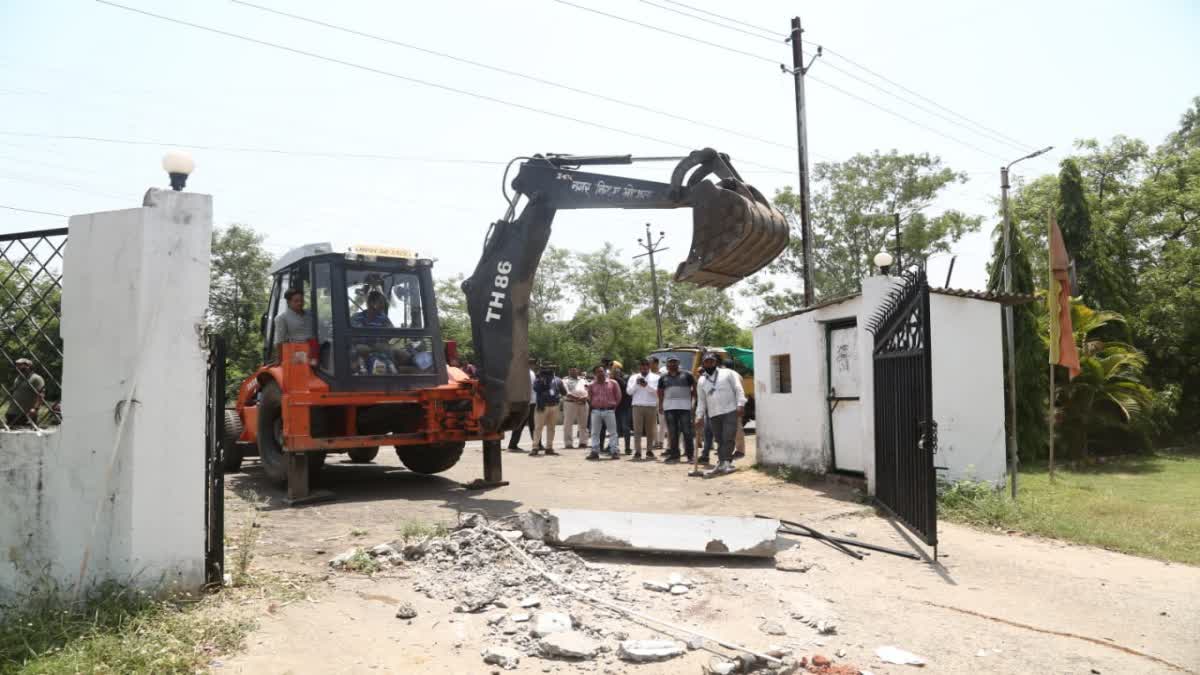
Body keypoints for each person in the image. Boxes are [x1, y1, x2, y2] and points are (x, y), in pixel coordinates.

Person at [693, 352, 746, 476]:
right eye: (706, 361)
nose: (709, 363)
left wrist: (741, 404)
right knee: (719, 439)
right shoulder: (701, 380)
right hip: (713, 414)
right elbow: (701, 400)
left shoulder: (728, 373)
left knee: (728, 437)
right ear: (703, 364)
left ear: (715, 362)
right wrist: (699, 416)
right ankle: (721, 463)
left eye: (711, 361)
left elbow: (738, 388)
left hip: (730, 410)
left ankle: (726, 463)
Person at [657, 356, 696, 463]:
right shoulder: (663, 378)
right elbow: (660, 392)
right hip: (669, 408)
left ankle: (690, 456)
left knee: (687, 432)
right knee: (672, 433)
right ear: (667, 365)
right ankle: (674, 455)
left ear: (678, 363)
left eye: (674, 362)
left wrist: (693, 404)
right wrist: (660, 405)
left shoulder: (687, 375)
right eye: (670, 363)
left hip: (685, 408)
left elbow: (694, 390)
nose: (672, 364)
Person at [585, 365, 621, 460]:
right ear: (595, 374)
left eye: (602, 371)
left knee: (613, 432)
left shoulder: (613, 383)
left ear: (605, 372)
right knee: (594, 432)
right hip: (596, 411)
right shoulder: (592, 385)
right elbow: (589, 397)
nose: (600, 373)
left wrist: (614, 407)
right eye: (598, 372)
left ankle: (614, 451)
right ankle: (595, 451)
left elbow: (618, 396)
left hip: (609, 410)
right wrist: (592, 406)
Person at [626, 359, 660, 460]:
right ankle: (638, 451)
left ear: (649, 366)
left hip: (651, 406)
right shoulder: (633, 377)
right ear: (639, 367)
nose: (644, 367)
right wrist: (637, 384)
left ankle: (649, 450)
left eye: (646, 365)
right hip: (637, 406)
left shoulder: (656, 377)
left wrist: (646, 385)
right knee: (637, 430)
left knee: (650, 430)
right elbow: (629, 392)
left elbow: (657, 392)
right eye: (642, 365)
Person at [532, 364, 565, 456]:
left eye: (550, 369)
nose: (548, 371)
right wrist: (542, 380)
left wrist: (560, 390)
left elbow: (564, 392)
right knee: (538, 427)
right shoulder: (539, 379)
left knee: (551, 428)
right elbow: (536, 389)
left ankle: (549, 447)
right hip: (542, 406)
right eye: (546, 369)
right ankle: (535, 447)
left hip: (554, 406)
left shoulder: (558, 380)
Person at [273, 287, 312, 360]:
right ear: (288, 302)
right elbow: (280, 341)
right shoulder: (282, 318)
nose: (300, 303)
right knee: (304, 370)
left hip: (315, 350)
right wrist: (279, 359)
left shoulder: (310, 313)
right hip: (298, 354)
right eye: (296, 301)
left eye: (301, 300)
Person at [508, 358, 538, 452]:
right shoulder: (529, 373)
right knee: (531, 425)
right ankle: (536, 444)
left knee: (522, 424)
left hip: (525, 401)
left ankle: (513, 444)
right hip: (528, 402)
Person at [5, 358, 44, 428]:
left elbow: (41, 394)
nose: (17, 367)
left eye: (20, 365)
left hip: (26, 413)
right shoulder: (18, 378)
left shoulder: (36, 378)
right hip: (12, 412)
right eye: (17, 365)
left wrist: (35, 409)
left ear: (28, 366)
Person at [561, 367, 589, 449]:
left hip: (583, 403)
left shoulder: (583, 380)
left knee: (583, 424)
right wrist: (577, 399)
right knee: (568, 424)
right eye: (571, 370)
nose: (573, 371)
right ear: (568, 371)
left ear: (578, 371)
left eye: (575, 369)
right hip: (570, 403)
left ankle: (583, 442)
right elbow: (566, 392)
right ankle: (568, 443)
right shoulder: (565, 380)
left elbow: (589, 390)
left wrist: (585, 397)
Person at [610, 361, 633, 454]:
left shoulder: (627, 377)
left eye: (615, 368)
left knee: (625, 428)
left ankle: (627, 448)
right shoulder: (611, 378)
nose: (614, 370)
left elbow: (626, 388)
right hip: (614, 406)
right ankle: (614, 447)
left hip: (624, 406)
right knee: (614, 428)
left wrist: (617, 378)